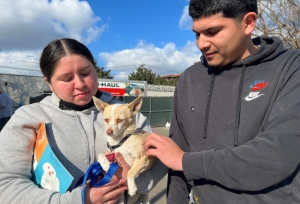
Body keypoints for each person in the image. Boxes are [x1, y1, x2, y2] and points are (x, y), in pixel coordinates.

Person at [145, 0, 300, 203]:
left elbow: (276, 156)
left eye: (212, 32)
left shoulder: (290, 67)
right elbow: (176, 154)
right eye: (197, 34)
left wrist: (186, 161)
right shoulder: (190, 79)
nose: (201, 43)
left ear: (248, 23)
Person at [0, 38, 166, 204]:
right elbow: (6, 186)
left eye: (86, 73)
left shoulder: (129, 115)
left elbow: (158, 164)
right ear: (49, 82)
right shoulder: (27, 118)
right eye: (66, 78)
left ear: (96, 70)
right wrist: (79, 200)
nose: (80, 84)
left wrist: (132, 180)